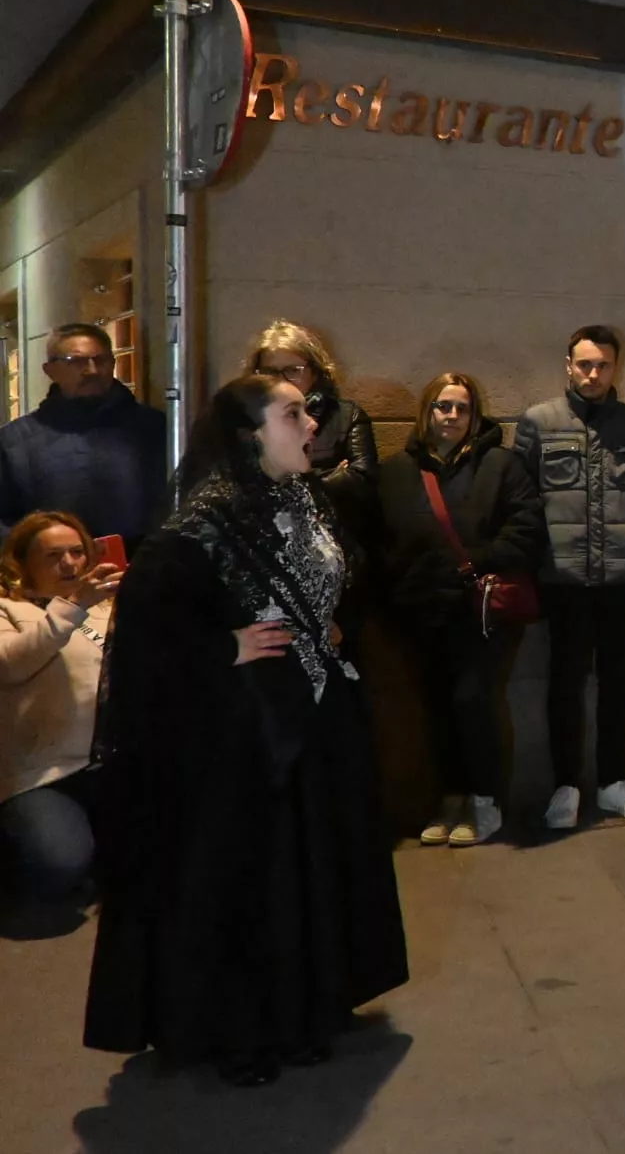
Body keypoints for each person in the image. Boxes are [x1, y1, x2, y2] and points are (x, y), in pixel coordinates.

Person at [84, 375, 406, 1087]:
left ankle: (311, 1003)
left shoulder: (305, 497)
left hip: (312, 713)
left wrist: (331, 619)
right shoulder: (206, 517)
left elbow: (343, 572)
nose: (311, 426)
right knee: (254, 882)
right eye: (291, 414)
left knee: (310, 864)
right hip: (241, 732)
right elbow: (141, 628)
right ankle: (248, 1027)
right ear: (250, 433)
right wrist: (221, 648)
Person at [378, 374, 543, 848]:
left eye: (462, 408)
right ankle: (449, 799)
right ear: (427, 412)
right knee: (436, 707)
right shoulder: (398, 471)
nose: (451, 417)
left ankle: (484, 799)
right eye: (442, 407)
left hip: (482, 608)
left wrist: (477, 561)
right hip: (423, 609)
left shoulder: (501, 466)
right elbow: (384, 536)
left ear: (475, 415)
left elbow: (526, 528)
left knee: (475, 702)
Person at [516, 326, 625, 831]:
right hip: (562, 578)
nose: (593, 373)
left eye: (602, 365)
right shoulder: (538, 422)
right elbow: (520, 499)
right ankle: (566, 784)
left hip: (623, 576)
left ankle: (614, 781)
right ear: (568, 365)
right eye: (585, 364)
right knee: (564, 682)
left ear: (615, 368)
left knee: (618, 681)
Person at [0, 512, 119, 907]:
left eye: (76, 552)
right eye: (52, 556)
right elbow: (11, 664)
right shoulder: (9, 610)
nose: (69, 564)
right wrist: (71, 607)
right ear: (22, 564)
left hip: (116, 761)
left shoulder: (107, 607)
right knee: (57, 867)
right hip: (46, 772)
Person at [0, 324, 166, 549]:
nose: (92, 370)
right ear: (50, 370)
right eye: (76, 361)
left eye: (101, 360)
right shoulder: (15, 442)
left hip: (144, 571)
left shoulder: (155, 428)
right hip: (57, 575)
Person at [248, 320, 379, 511]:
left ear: (315, 372)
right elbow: (243, 485)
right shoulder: (244, 418)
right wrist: (331, 477)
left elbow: (362, 481)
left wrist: (292, 482)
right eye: (270, 372)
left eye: (293, 371)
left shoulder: (344, 415)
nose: (281, 380)